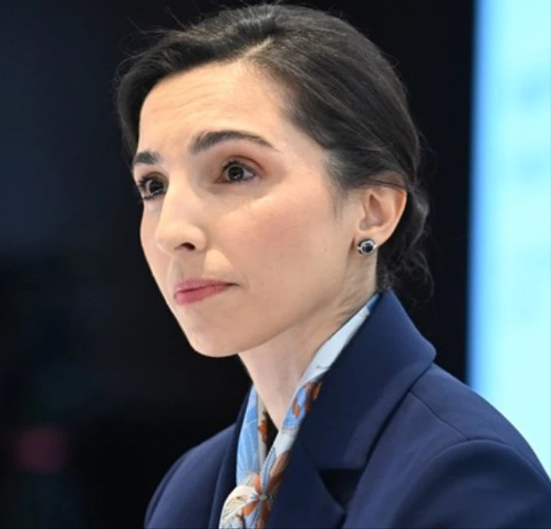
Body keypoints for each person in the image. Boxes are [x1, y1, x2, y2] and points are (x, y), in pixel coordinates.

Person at [114, 4, 551, 528]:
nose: (171, 231)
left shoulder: (462, 477)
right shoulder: (190, 487)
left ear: (374, 210)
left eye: (235, 171)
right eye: (154, 186)